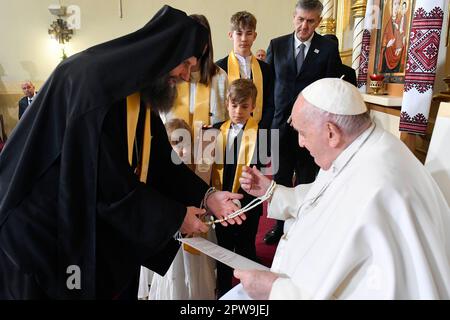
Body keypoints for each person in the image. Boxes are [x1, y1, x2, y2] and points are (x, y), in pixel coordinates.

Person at [0, 5, 244, 300]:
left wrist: (208, 196)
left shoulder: (137, 90)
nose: (186, 75)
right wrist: (175, 217)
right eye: (186, 64)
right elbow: (109, 185)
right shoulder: (95, 86)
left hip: (74, 215)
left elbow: (160, 164)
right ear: (164, 51)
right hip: (39, 228)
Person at [235, 78, 450, 299]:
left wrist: (276, 291)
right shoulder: (361, 147)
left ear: (331, 133)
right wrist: (273, 191)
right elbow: (324, 198)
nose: (300, 142)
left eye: (303, 133)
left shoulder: (378, 188)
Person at [264, 0, 342, 245]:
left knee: (308, 179)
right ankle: (279, 226)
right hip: (280, 127)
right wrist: (267, 126)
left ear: (318, 22)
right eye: (300, 19)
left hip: (313, 130)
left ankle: (305, 226)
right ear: (293, 17)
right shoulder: (276, 46)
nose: (304, 26)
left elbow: (332, 90)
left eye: (310, 21)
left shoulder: (327, 49)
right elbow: (267, 90)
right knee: (280, 179)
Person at [148, 117, 217, 300]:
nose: (179, 150)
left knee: (195, 270)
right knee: (175, 273)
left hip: (196, 232)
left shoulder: (195, 169)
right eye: (173, 144)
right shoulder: (161, 174)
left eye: (183, 143)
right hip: (172, 234)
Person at [211, 79, 267, 298]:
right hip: (222, 206)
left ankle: (249, 293)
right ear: (227, 104)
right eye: (234, 105)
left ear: (253, 107)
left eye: (244, 106)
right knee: (223, 252)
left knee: (246, 250)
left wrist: (241, 200)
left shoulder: (262, 135)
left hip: (248, 205)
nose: (238, 111)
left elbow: (260, 174)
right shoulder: (216, 131)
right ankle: (222, 291)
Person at [162, 14, 229, 134]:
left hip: (210, 146)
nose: (196, 46)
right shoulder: (170, 75)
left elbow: (227, 117)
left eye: (201, 41)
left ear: (207, 44)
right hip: (174, 146)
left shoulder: (220, 76)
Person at [216, 11, 274, 130]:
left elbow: (270, 104)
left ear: (255, 35)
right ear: (230, 35)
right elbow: (218, 103)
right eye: (239, 33)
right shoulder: (219, 68)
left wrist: (260, 129)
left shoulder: (266, 69)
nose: (244, 39)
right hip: (227, 131)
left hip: (259, 131)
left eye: (248, 33)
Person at [378, 0, 406, 73]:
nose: (397, 7)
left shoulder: (400, 23)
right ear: (391, 6)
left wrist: (401, 47)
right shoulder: (388, 25)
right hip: (387, 58)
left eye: (398, 4)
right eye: (395, 4)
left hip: (397, 57)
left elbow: (403, 39)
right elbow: (383, 46)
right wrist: (387, 46)